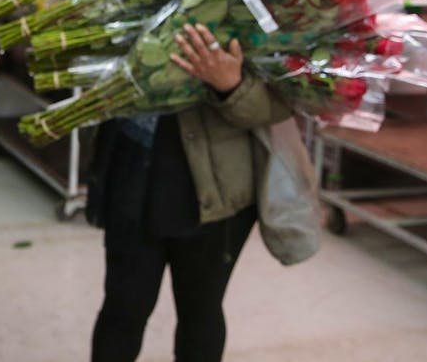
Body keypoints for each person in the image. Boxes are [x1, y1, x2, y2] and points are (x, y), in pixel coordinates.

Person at [86, 23, 292, 362]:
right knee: (123, 308)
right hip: (132, 172)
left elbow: (279, 105)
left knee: (201, 310)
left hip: (215, 187)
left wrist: (231, 85)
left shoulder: (258, 3)